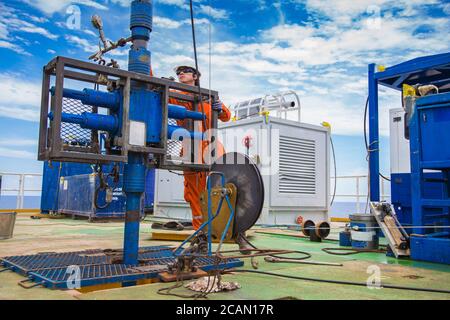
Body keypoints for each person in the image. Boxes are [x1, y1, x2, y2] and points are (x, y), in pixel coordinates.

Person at [170, 65, 252, 253]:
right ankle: (201, 237)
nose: (180, 74)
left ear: (195, 76)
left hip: (212, 144)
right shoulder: (176, 95)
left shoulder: (208, 97)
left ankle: (239, 234)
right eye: (178, 72)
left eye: (185, 71)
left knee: (226, 188)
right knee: (194, 194)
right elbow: (156, 91)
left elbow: (226, 116)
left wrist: (220, 106)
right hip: (190, 147)